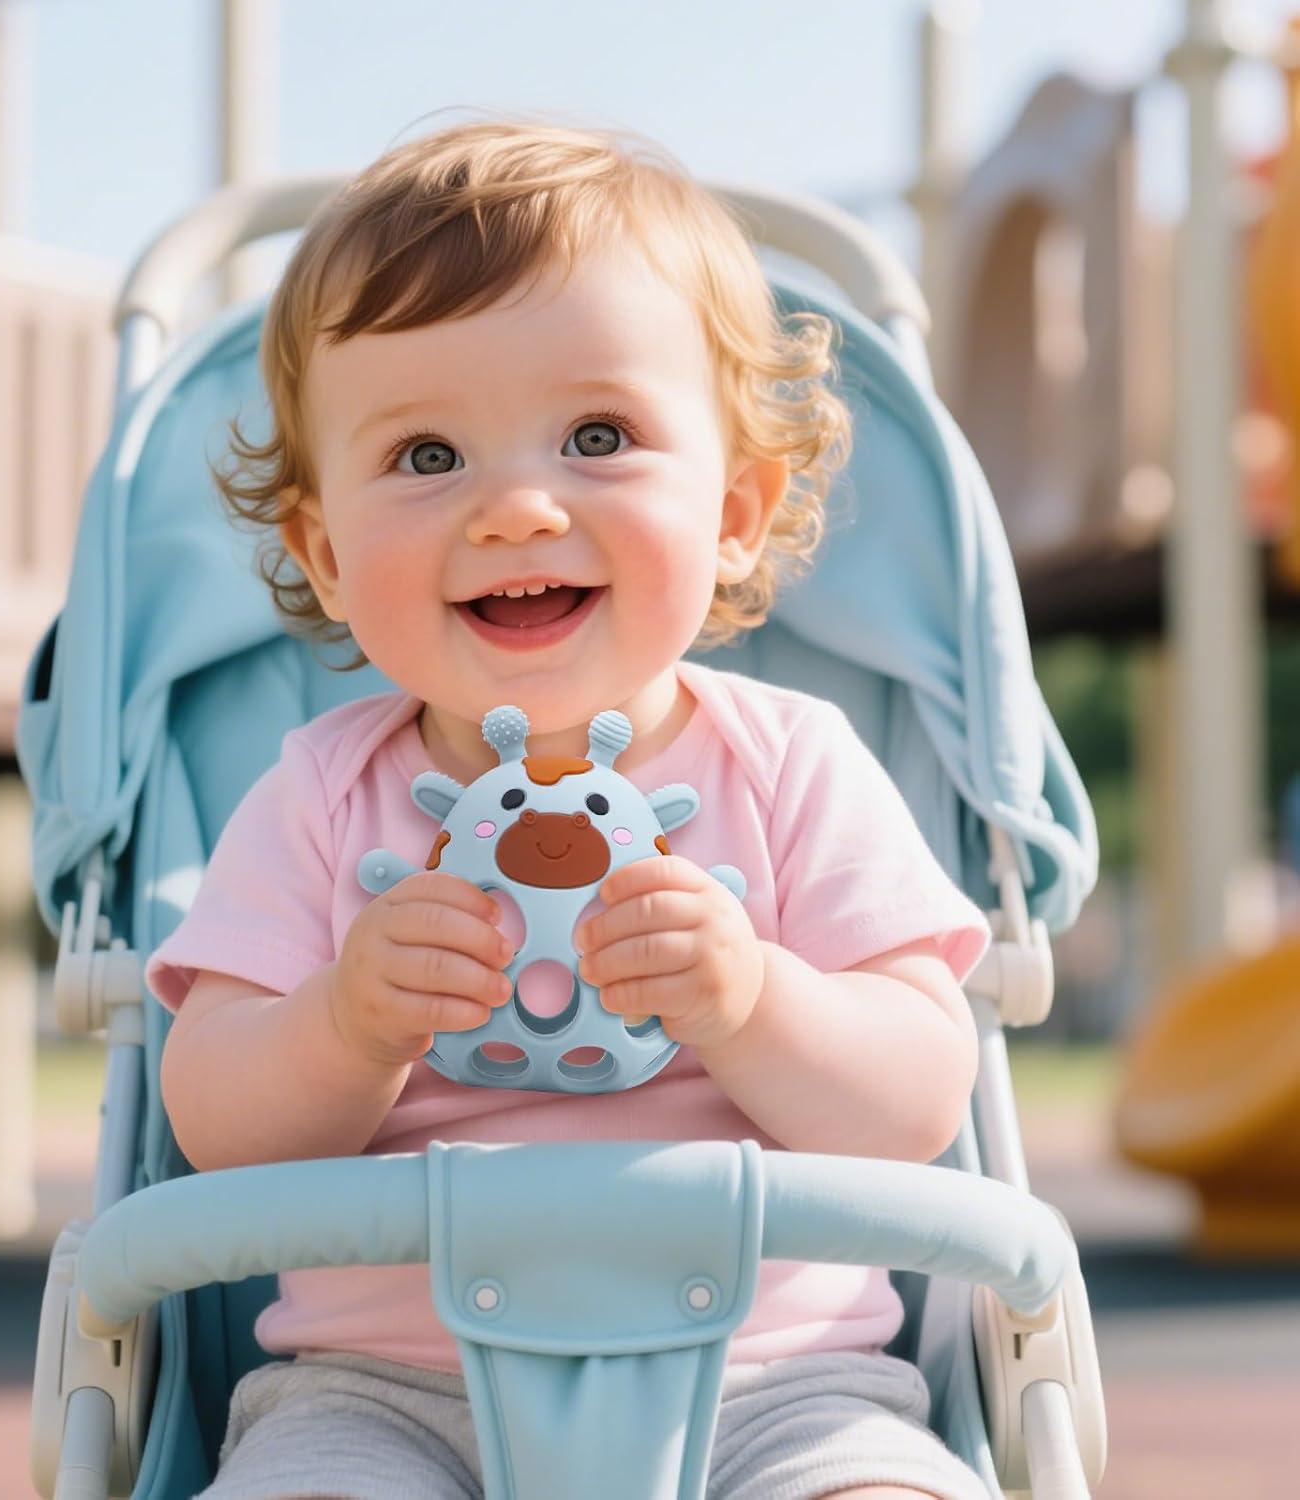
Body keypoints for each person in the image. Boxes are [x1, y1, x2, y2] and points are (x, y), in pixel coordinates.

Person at [147, 117, 994, 1500]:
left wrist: (752, 1002)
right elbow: (214, 1128)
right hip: (385, 1397)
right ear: (325, 553)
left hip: (778, 1385)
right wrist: (344, 1024)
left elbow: (917, 1100)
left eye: (597, 435)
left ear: (735, 509)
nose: (519, 507)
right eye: (427, 457)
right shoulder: (317, 795)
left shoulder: (795, 766)